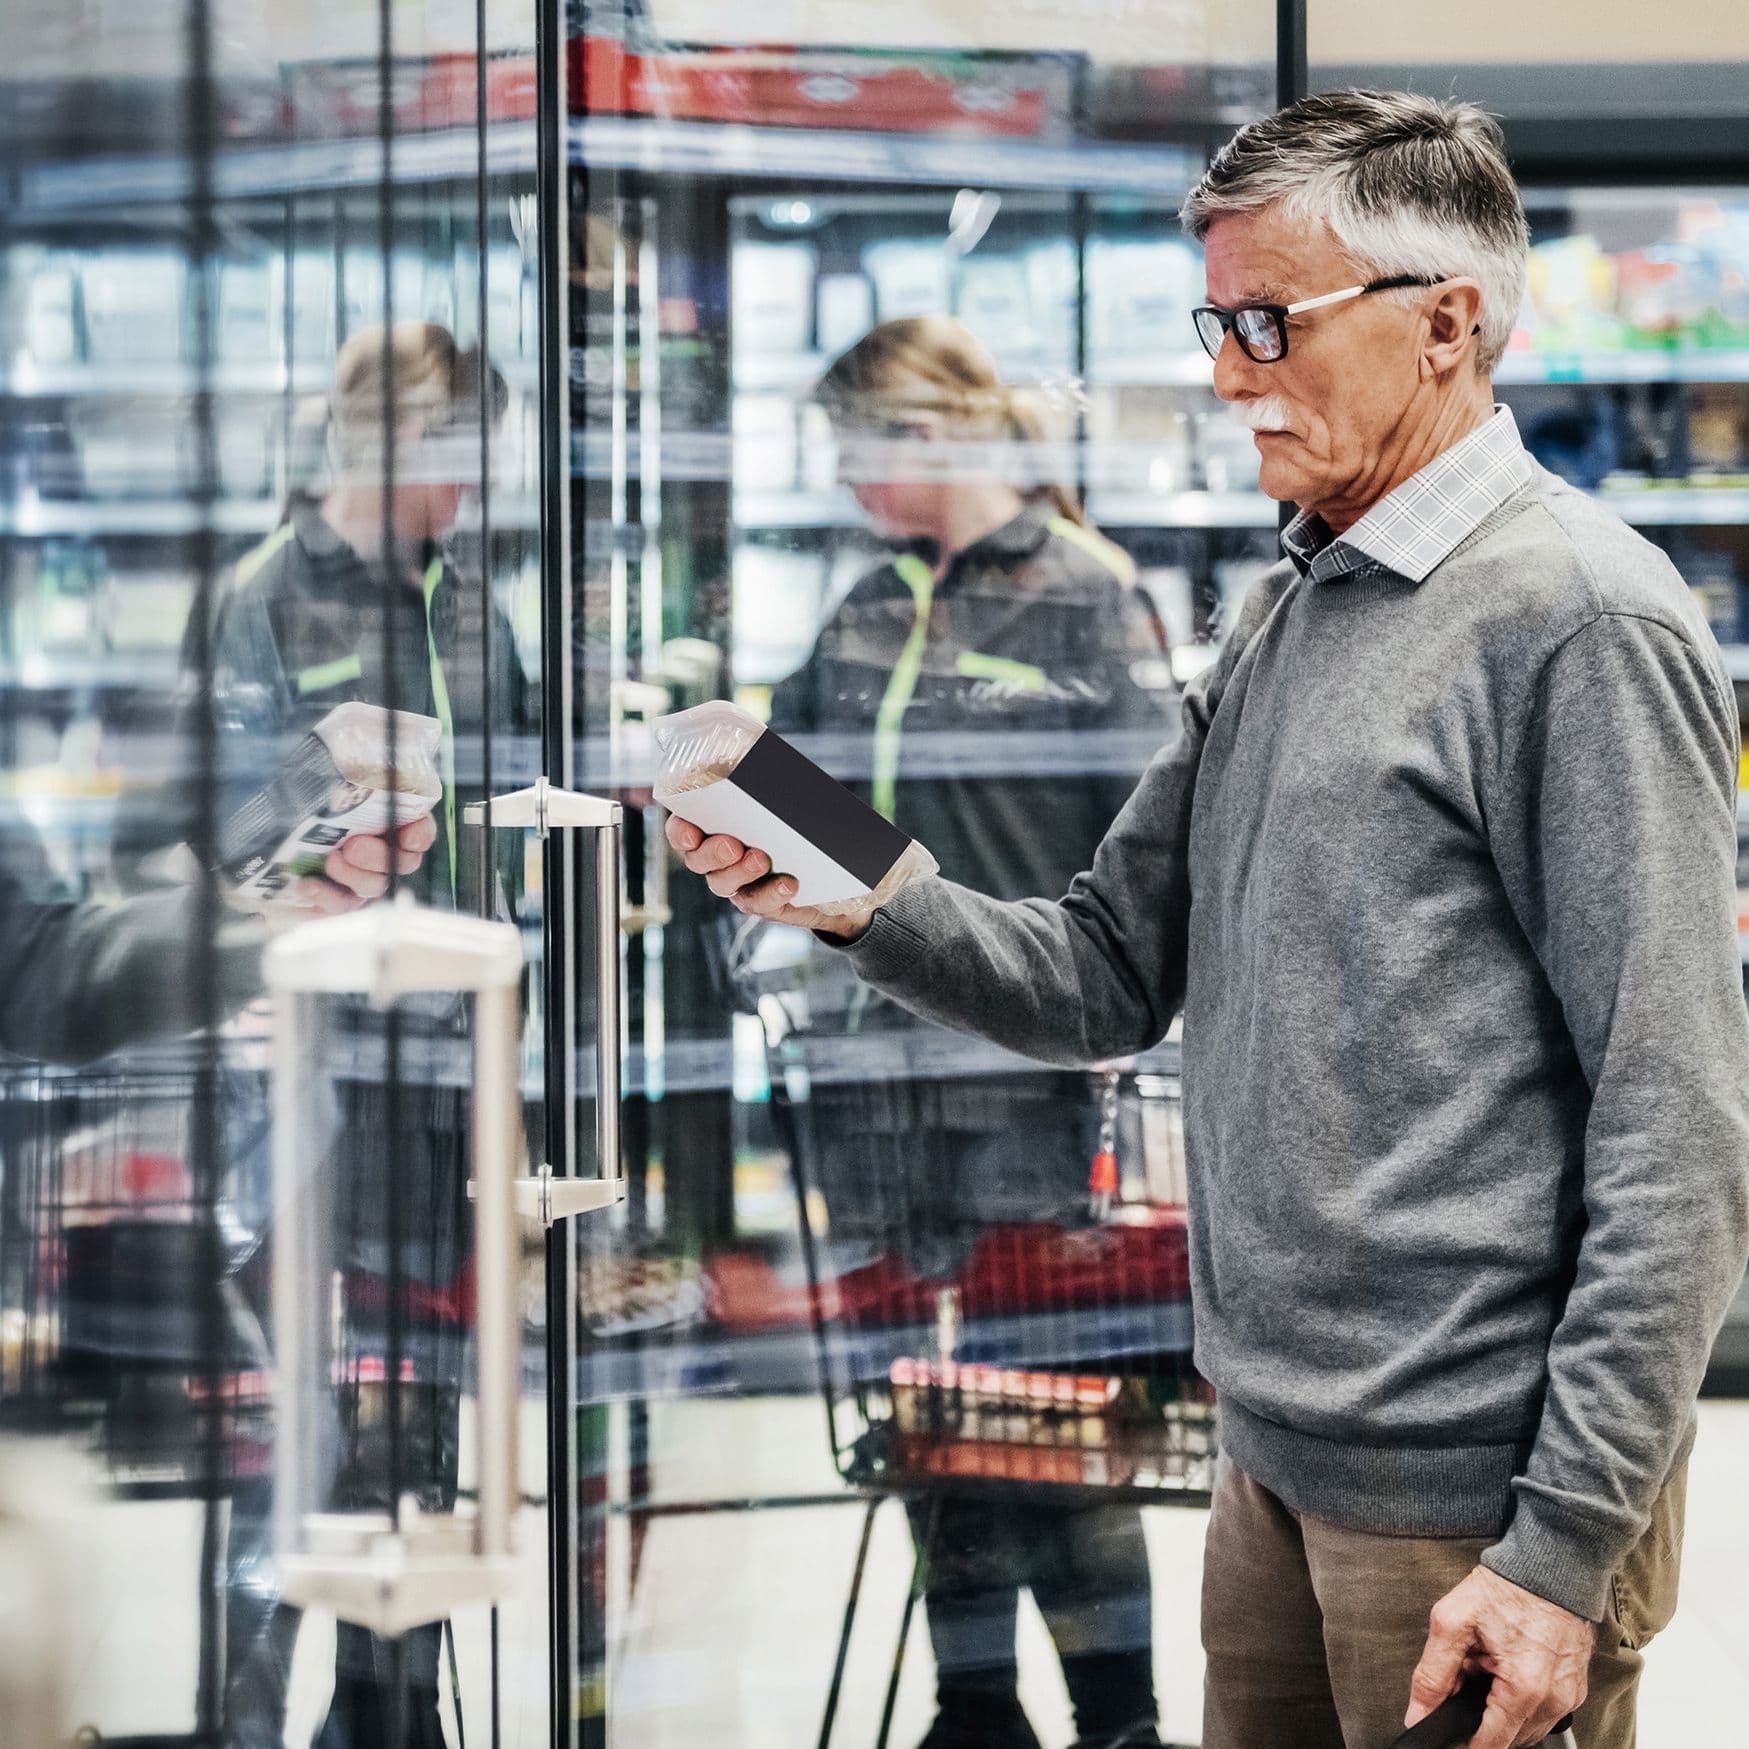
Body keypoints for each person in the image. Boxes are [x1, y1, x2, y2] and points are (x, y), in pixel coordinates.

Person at [668, 92, 1749, 1749]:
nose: (1227, 371)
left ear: (1445, 324)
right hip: (1271, 1461)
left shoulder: (1582, 624)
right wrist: (842, 886)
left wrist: (1561, 1546)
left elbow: (1681, 1126)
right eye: (1212, 322)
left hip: (1472, 1506)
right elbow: (1106, 967)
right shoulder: (1289, 604)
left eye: (1265, 323)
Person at [747, 316, 1175, 1749]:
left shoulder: (1088, 599)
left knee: (1047, 1411)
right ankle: (972, 1704)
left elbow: (1142, 848)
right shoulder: (862, 607)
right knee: (924, 1413)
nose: (847, 484)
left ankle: (1116, 1713)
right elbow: (799, 786)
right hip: (872, 1083)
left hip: (1026, 1084)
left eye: (857, 451)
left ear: (927, 434)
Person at [165, 319, 522, 1749]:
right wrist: (298, 862)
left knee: (419, 1409)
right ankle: (247, 1709)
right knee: (292, 1419)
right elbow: (201, 844)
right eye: (462, 455)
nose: (478, 487)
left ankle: (392, 1713)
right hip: (299, 1078)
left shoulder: (476, 601)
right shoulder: (258, 597)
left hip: (448, 1072)